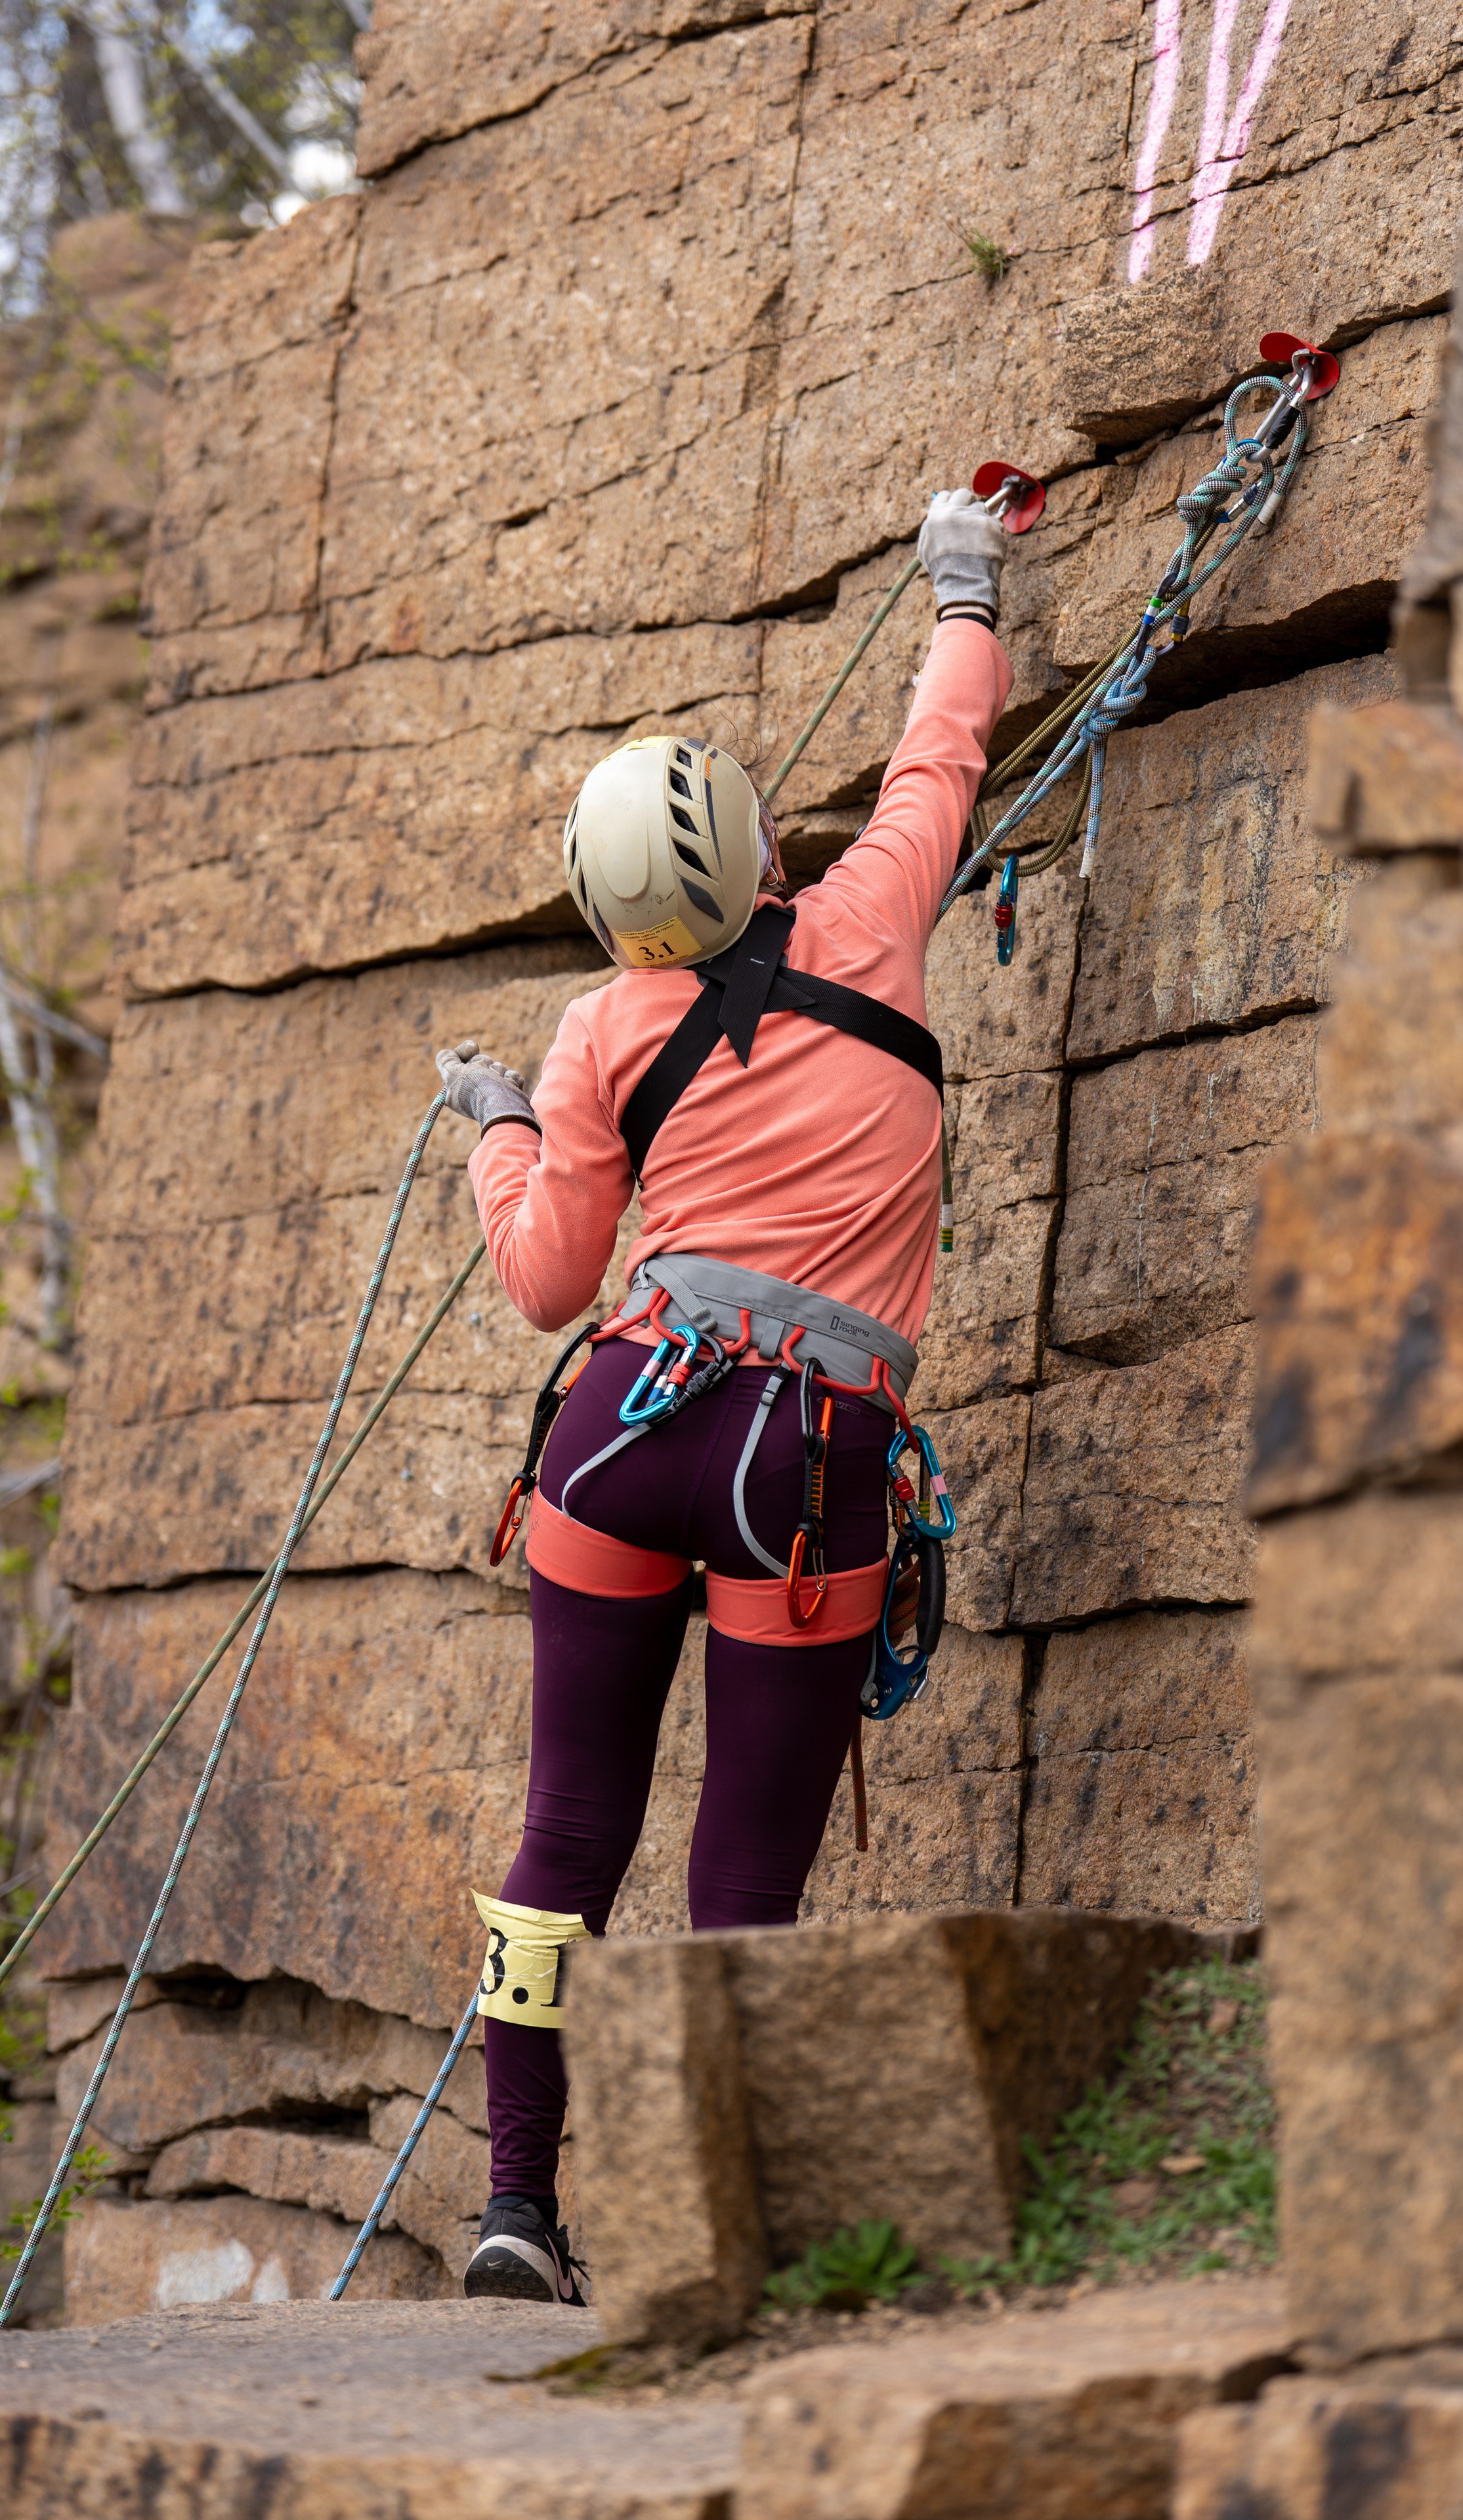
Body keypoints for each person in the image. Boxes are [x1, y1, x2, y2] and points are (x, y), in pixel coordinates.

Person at [435, 488, 1015, 2305]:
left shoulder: (606, 1032)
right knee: (745, 1854)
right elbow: (942, 745)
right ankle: (704, 2225)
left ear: (616, 919)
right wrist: (966, 582)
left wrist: (499, 1133)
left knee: (564, 1828)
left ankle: (519, 2204)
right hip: (811, 1457)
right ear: (763, 850)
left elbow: (545, 1283)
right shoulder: (874, 917)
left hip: (624, 1434)